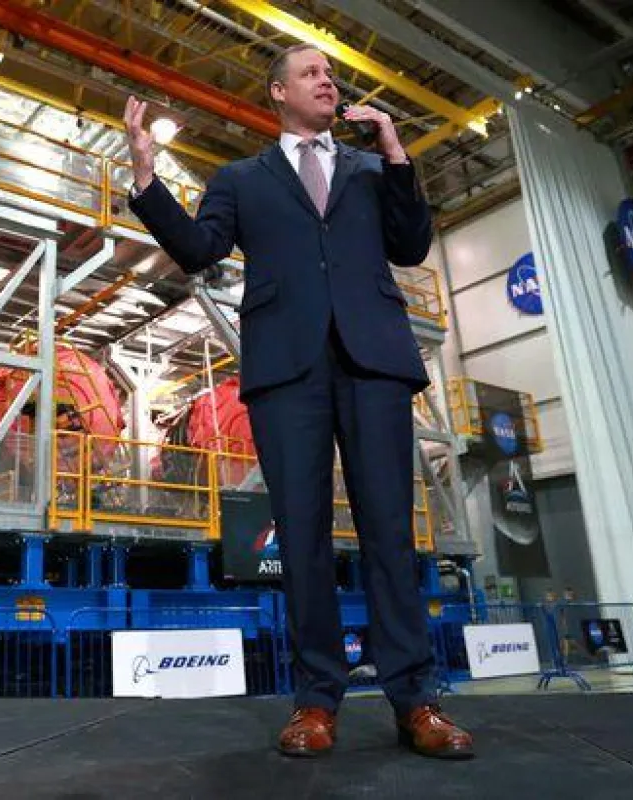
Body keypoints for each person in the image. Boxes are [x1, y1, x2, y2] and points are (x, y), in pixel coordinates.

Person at [124, 43, 473, 759]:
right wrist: (146, 178)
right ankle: (316, 701)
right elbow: (199, 249)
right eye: (312, 72)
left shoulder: (373, 170)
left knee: (390, 531)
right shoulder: (239, 179)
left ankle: (417, 701)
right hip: (288, 366)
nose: (328, 80)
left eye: (331, 74)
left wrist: (397, 154)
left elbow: (410, 247)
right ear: (278, 92)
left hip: (374, 360)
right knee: (301, 536)